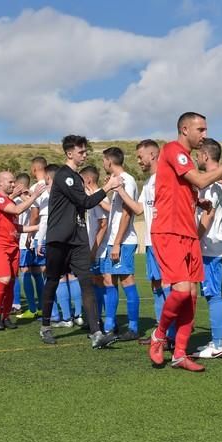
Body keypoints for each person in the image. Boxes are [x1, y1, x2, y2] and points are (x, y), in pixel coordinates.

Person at [149, 112, 222, 372]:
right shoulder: (173, 149)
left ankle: (180, 354)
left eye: (205, 130)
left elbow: (187, 188)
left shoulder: (187, 159)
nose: (204, 135)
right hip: (168, 231)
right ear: (184, 129)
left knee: (191, 296)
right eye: (200, 129)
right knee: (180, 290)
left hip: (188, 232)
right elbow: (201, 180)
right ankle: (159, 335)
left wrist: (198, 201)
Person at [38, 134, 124, 348]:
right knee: (53, 281)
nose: (85, 155)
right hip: (59, 238)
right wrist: (108, 187)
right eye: (81, 152)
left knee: (86, 282)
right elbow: (85, 202)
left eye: (85, 151)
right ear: (69, 153)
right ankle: (45, 326)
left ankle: (96, 333)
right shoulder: (65, 176)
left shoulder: (75, 177)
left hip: (77, 239)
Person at [114, 140, 174, 345]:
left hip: (163, 241)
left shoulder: (164, 179)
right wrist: (120, 191)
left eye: (141, 156)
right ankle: (160, 332)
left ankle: (170, 334)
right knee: (156, 285)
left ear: (153, 155)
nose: (138, 160)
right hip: (151, 242)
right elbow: (139, 209)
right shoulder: (149, 182)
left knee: (167, 286)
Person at [192, 138, 222, 359]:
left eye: (198, 155)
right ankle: (216, 339)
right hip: (218, 245)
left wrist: (193, 241)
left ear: (206, 156)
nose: (196, 158)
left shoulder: (211, 183)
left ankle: (218, 344)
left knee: (214, 295)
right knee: (212, 294)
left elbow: (208, 215)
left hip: (212, 247)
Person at [0, 171, 44, 331]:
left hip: (12, 246)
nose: (13, 185)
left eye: (14, 182)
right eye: (11, 182)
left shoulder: (7, 201)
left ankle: (6, 316)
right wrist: (34, 196)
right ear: (1, 183)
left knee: (12, 281)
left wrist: (39, 227)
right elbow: (17, 210)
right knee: (4, 279)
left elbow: (16, 227)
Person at [101, 146, 141, 340]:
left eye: (103, 160)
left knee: (127, 280)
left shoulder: (127, 180)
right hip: (114, 240)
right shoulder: (117, 181)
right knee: (109, 279)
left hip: (123, 241)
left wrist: (117, 243)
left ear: (109, 161)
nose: (103, 164)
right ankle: (110, 324)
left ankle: (133, 327)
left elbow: (127, 213)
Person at [15, 157, 49, 320]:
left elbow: (34, 216)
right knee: (38, 272)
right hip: (47, 235)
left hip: (30, 239)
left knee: (26, 271)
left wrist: (29, 236)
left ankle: (32, 308)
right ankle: (43, 307)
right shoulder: (52, 185)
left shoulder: (35, 189)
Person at [81, 165, 110, 322]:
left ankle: (101, 319)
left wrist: (93, 251)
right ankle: (97, 318)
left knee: (100, 283)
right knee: (96, 282)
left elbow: (103, 224)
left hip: (99, 251)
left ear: (87, 180)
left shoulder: (99, 197)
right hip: (95, 249)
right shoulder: (94, 197)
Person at [12, 172, 33, 314]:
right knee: (33, 273)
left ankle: (18, 304)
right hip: (28, 240)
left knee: (20, 273)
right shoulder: (29, 199)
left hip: (22, 241)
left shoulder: (19, 201)